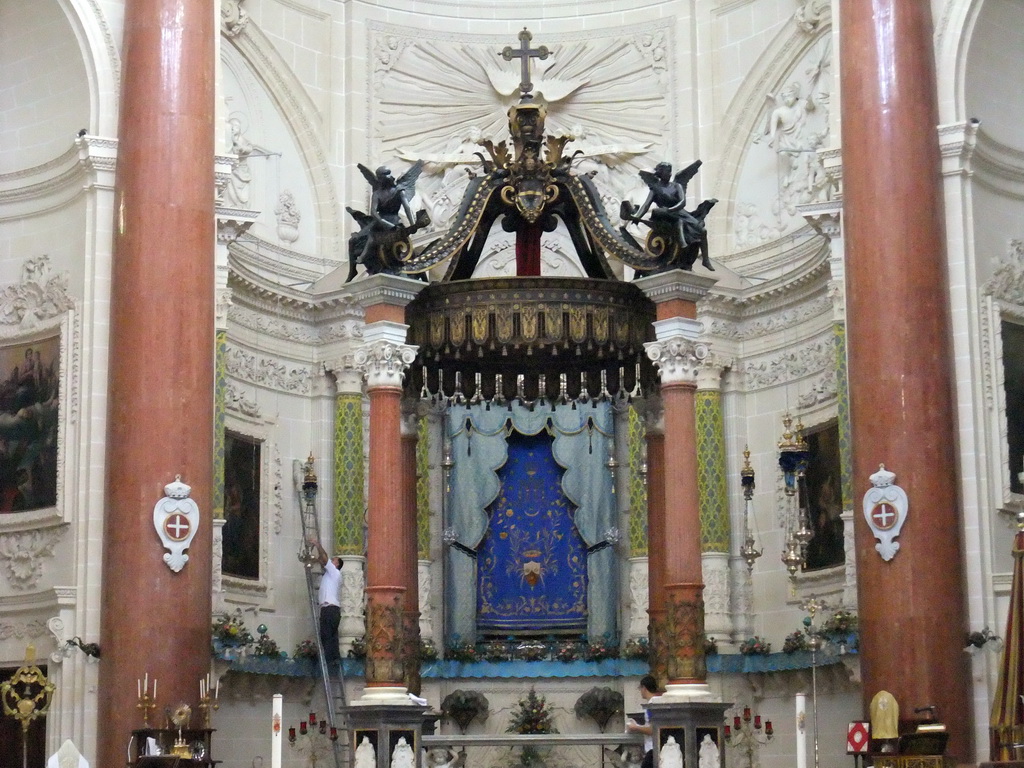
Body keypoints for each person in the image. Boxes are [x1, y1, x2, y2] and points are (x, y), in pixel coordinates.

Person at [314, 541, 342, 671]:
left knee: (325, 635)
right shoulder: (330, 574)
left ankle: (329, 661)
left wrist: (317, 544)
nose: (331, 560)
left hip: (329, 609)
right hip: (332, 609)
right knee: (332, 637)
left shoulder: (335, 573)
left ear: (336, 564)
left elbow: (324, 558)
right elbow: (322, 560)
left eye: (333, 560)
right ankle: (335, 659)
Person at [626, 675, 659, 768]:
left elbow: (653, 729)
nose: (640, 691)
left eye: (640, 688)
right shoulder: (657, 702)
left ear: (644, 688)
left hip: (652, 749)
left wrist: (635, 727)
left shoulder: (652, 706)